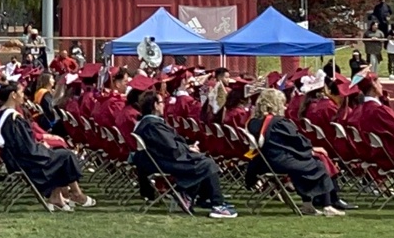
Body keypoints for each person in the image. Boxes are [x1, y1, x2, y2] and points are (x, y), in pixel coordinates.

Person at [0, 82, 91, 211]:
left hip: (16, 159)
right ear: (13, 95)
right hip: (26, 162)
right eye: (21, 92)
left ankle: (56, 197)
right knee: (66, 156)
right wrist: (44, 148)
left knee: (60, 154)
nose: (24, 96)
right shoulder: (12, 118)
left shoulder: (2, 114)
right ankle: (76, 194)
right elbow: (27, 148)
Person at [132, 90, 234, 218]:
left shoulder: (148, 123)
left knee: (203, 160)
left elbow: (169, 144)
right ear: (155, 105)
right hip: (162, 162)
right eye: (162, 102)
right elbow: (170, 147)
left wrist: (187, 147)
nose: (164, 105)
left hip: (160, 160)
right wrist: (188, 149)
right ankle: (217, 205)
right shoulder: (152, 125)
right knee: (207, 164)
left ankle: (192, 196)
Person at [246, 87, 345, 216]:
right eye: (282, 103)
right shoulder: (279, 122)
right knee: (319, 163)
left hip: (263, 162)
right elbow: (297, 141)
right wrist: (311, 149)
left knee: (303, 165)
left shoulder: (253, 122)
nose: (285, 106)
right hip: (279, 161)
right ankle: (327, 205)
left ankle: (308, 206)